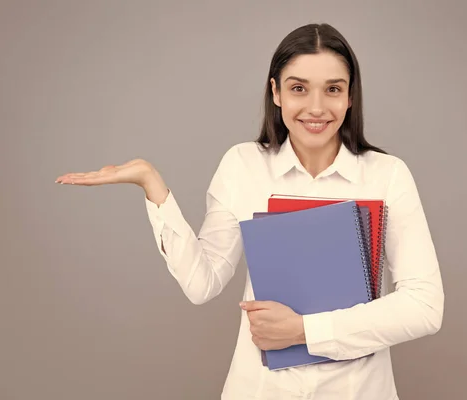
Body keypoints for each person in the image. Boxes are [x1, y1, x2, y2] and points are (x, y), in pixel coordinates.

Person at [55, 23, 444, 400]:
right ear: (275, 92)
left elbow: (424, 306)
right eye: (298, 88)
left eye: (333, 89)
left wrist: (304, 330)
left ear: (350, 96)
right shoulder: (243, 166)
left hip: (358, 391)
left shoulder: (388, 175)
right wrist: (152, 185)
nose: (316, 107)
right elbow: (201, 283)